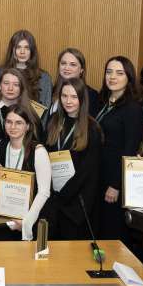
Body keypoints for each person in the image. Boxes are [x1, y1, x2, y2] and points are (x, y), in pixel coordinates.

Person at [43, 78, 102, 240]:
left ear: (82, 99)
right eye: (64, 96)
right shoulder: (53, 122)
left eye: (74, 97)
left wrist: (64, 194)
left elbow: (87, 172)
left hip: (76, 204)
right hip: (53, 200)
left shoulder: (91, 128)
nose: (68, 101)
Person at [96, 56, 143, 240]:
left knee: (111, 231)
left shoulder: (132, 108)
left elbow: (130, 148)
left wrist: (116, 185)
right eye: (109, 72)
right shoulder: (103, 101)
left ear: (129, 78)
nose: (112, 77)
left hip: (114, 178)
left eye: (119, 73)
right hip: (99, 174)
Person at [0, 105, 51, 241]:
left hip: (30, 219)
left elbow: (44, 192)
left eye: (19, 123)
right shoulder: (0, 146)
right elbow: (1, 183)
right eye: (9, 122)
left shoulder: (39, 151)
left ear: (28, 126)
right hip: (4, 217)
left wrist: (26, 221)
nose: (13, 127)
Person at [0, 68, 40, 195]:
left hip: (22, 185)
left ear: (22, 88)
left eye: (16, 84)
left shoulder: (31, 115)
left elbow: (37, 149)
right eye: (6, 83)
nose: (10, 88)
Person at [0, 29, 53, 107]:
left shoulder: (44, 77)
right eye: (18, 47)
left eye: (27, 48)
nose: (22, 52)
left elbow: (45, 107)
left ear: (32, 51)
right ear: (12, 50)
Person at [54, 47, 101, 112]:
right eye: (63, 63)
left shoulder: (91, 95)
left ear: (81, 70)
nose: (66, 68)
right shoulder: (54, 90)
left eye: (73, 65)